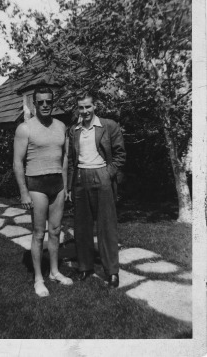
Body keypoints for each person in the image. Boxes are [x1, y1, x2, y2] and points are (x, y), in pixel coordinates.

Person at [13, 86, 73, 298]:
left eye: (49, 102)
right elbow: (18, 163)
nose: (45, 105)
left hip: (57, 183)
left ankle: (55, 271)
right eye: (41, 102)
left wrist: (66, 186)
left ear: (52, 102)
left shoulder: (61, 126)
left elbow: (65, 158)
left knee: (55, 231)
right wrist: (24, 193)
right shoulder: (25, 128)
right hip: (36, 184)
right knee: (39, 233)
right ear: (34, 104)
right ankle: (39, 278)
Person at [67, 91, 126, 288]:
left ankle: (112, 271)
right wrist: (69, 186)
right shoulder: (74, 130)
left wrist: (108, 173)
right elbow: (71, 161)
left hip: (101, 176)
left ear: (95, 106)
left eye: (88, 107)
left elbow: (120, 155)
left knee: (106, 226)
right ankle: (85, 267)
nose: (84, 111)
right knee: (81, 227)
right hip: (80, 178)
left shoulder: (108, 126)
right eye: (81, 107)